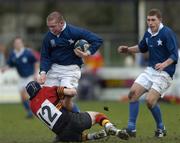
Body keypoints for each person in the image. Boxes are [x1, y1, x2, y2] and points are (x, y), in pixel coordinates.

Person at [117, 8, 179, 138]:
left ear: (160, 20)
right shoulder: (148, 33)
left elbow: (174, 55)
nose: (150, 23)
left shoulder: (167, 33)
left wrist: (164, 64)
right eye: (148, 20)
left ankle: (161, 127)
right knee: (132, 94)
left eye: (153, 20)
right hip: (150, 71)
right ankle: (131, 128)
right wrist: (127, 49)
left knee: (150, 101)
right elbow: (141, 47)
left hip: (165, 73)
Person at [38, 11, 103, 112]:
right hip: (53, 69)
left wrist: (87, 53)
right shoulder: (48, 37)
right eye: (49, 27)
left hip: (70, 70)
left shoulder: (74, 32)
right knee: (48, 102)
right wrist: (43, 73)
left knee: (64, 101)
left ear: (61, 23)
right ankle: (69, 124)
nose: (51, 29)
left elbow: (97, 40)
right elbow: (45, 56)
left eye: (53, 26)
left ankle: (80, 122)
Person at [25, 81, 129, 142]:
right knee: (98, 115)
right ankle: (111, 128)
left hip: (62, 134)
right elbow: (71, 92)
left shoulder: (32, 106)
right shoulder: (46, 90)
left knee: (75, 137)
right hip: (72, 121)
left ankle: (92, 136)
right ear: (39, 87)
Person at [1, 36, 39, 118]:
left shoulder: (27, 52)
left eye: (19, 43)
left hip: (29, 76)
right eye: (16, 43)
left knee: (25, 94)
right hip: (21, 78)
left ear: (22, 44)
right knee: (22, 97)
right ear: (14, 44)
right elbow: (10, 64)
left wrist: (36, 74)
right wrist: (4, 69)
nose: (17, 44)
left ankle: (33, 111)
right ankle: (30, 111)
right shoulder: (13, 54)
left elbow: (35, 62)